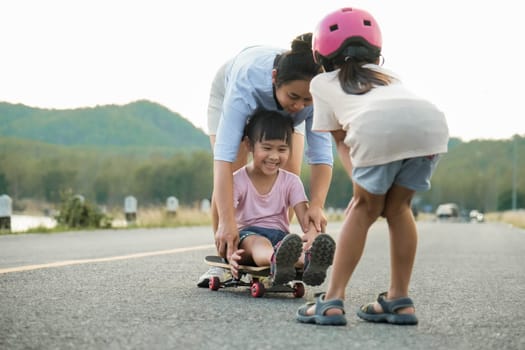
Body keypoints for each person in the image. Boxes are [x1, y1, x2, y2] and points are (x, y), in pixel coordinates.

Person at [296, 7, 449, 326]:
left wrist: (362, 193)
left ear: (321, 53)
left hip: (376, 128)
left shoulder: (322, 83)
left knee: (361, 209)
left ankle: (333, 300)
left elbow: (340, 139)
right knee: (399, 208)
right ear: (376, 50)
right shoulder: (389, 75)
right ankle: (399, 299)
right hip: (430, 125)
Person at [197, 33, 334, 287]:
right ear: (274, 79)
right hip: (232, 92)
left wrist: (316, 206)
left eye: (307, 101)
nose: (300, 106)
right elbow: (223, 160)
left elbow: (321, 156)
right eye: (294, 98)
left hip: (286, 93)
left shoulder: (311, 97)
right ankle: (225, 256)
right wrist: (228, 222)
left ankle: (283, 257)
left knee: (288, 175)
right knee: (235, 175)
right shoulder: (246, 84)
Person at [227, 109, 335, 286]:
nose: (274, 156)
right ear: (249, 145)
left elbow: (305, 220)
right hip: (247, 236)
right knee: (259, 244)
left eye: (282, 149)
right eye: (267, 148)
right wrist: (229, 252)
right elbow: (228, 218)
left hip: (282, 240)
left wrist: (312, 235)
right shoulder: (238, 179)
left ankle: (309, 262)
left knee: (295, 249)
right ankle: (278, 260)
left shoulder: (291, 181)